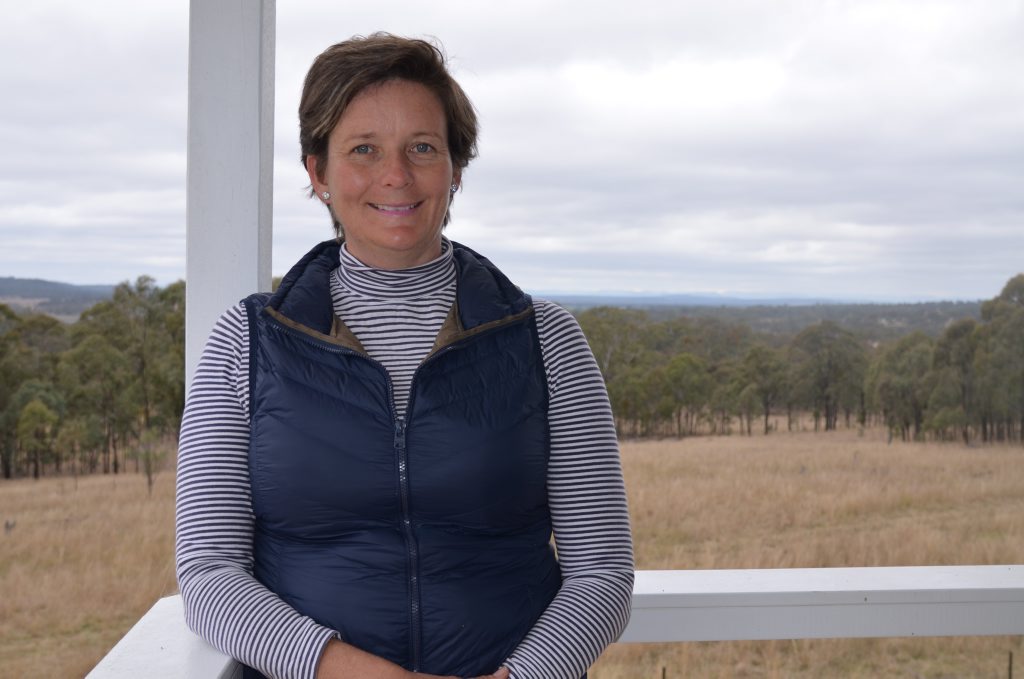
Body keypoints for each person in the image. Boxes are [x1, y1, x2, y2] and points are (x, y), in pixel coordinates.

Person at [175, 33, 634, 679]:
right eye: (364, 149)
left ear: (455, 169)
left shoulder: (545, 339)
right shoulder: (246, 342)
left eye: (422, 147)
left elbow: (602, 570)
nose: (396, 175)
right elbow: (207, 570)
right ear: (318, 173)